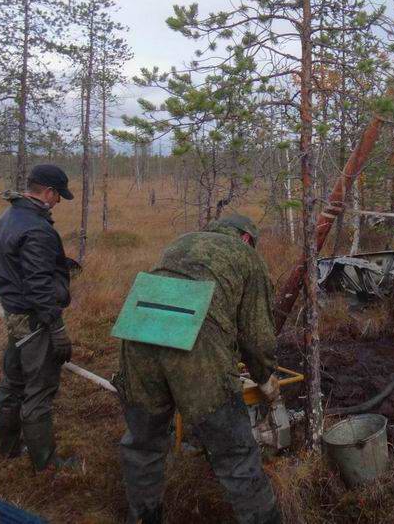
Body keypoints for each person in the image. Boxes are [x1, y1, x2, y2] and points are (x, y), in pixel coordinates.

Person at [114, 213, 281, 524]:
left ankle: (143, 517)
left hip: (138, 327)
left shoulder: (181, 242)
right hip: (195, 342)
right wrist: (265, 377)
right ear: (246, 238)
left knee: (143, 443)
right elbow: (257, 336)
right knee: (235, 453)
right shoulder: (246, 255)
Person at [0, 163, 78, 472]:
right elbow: (38, 285)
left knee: (12, 383)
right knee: (39, 388)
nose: (58, 203)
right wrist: (56, 328)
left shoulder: (9, 217)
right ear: (49, 192)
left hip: (15, 315)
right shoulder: (37, 228)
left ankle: (9, 449)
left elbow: (16, 268)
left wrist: (60, 263)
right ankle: (46, 464)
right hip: (34, 319)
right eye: (58, 197)